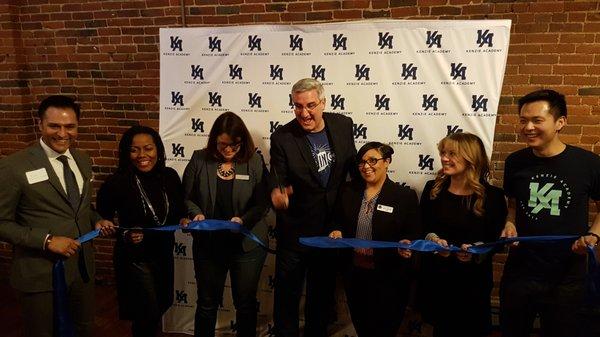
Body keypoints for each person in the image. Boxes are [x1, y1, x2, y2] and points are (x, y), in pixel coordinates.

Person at [0, 95, 115, 337]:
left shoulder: (82, 160)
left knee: (83, 328)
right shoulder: (14, 166)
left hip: (81, 269)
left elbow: (81, 208)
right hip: (40, 272)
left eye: (70, 126)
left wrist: (96, 219)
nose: (63, 133)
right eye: (54, 125)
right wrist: (48, 240)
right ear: (40, 124)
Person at [499, 89, 600, 337]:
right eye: (523, 121)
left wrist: (593, 236)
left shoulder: (588, 163)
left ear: (560, 122)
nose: (528, 127)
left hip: (567, 275)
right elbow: (512, 204)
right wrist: (510, 223)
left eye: (537, 120)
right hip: (520, 271)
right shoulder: (515, 161)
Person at [269, 78, 358, 337]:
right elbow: (277, 176)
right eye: (297, 106)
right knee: (287, 294)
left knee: (321, 294)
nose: (304, 113)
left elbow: (351, 168)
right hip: (295, 230)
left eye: (310, 105)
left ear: (323, 102)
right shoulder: (282, 136)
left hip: (331, 229)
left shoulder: (343, 124)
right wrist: (277, 194)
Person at [182, 111, 269, 337]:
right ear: (214, 141)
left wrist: (243, 220)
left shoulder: (255, 161)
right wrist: (196, 214)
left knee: (246, 304)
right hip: (209, 246)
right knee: (207, 304)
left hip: (246, 247)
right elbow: (186, 197)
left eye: (234, 145)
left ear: (243, 142)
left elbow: (262, 203)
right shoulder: (199, 159)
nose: (228, 150)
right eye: (222, 145)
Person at [96, 125, 186, 337]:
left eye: (148, 148)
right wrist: (124, 234)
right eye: (134, 150)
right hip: (135, 258)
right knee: (146, 313)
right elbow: (102, 219)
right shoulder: (117, 181)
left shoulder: (170, 176)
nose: (142, 155)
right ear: (126, 153)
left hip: (163, 253)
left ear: (158, 150)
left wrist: (184, 219)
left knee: (163, 303)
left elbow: (178, 210)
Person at [418, 132, 507, 337]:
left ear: (471, 157)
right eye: (443, 152)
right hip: (439, 281)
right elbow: (422, 228)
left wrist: (477, 249)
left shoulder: (493, 196)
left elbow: (498, 241)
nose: (444, 158)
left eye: (452, 153)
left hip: (473, 284)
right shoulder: (433, 189)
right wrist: (434, 242)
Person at [328, 142, 419, 337]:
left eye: (372, 160)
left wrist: (407, 243)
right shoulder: (347, 192)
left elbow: (413, 232)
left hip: (389, 277)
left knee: (384, 328)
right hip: (355, 274)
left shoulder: (404, 196)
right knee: (363, 326)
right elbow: (336, 220)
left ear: (387, 162)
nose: (366, 166)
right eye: (362, 162)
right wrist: (336, 230)